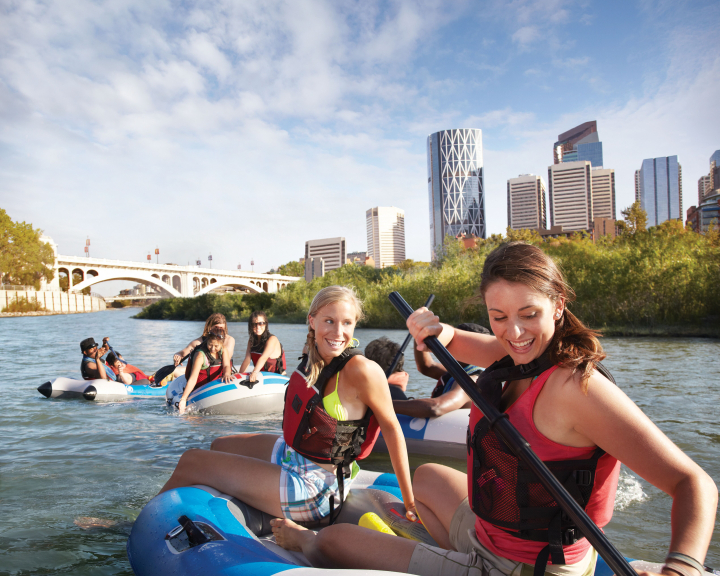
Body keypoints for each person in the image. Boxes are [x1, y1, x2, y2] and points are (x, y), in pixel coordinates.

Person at [269, 242, 717, 576]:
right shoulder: (517, 354)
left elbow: (693, 483)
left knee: (334, 541)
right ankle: (453, 551)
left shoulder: (576, 389)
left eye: (528, 314)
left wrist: (681, 567)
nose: (514, 332)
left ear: (558, 306)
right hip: (491, 534)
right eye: (498, 316)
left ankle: (316, 544)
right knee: (428, 477)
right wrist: (433, 328)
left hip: (523, 567)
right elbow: (458, 340)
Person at [159, 285, 416, 527]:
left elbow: (392, 429)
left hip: (317, 488)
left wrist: (409, 500)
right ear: (312, 321)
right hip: (293, 456)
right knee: (219, 445)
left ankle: (137, 525)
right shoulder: (314, 354)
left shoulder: (362, 370)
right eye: (329, 321)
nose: (339, 333)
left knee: (191, 460)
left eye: (347, 323)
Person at [393, 323, 489, 419]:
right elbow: (427, 367)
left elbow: (435, 407)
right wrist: (419, 335)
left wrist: (384, 405)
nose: (446, 346)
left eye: (452, 342)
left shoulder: (472, 381)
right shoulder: (461, 371)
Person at [171, 313, 235, 381]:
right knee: (174, 371)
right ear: (210, 327)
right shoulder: (199, 342)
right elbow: (183, 352)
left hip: (221, 373)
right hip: (203, 373)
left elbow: (227, 360)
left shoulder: (229, 340)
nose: (218, 330)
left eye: (221, 328)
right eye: (216, 327)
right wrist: (178, 355)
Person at [177, 331, 225, 414]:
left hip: (215, 386)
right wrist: (183, 399)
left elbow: (227, 365)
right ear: (207, 341)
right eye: (210, 344)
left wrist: (227, 374)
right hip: (199, 388)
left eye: (216, 346)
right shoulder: (200, 355)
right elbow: (193, 378)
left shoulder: (223, 350)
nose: (213, 348)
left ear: (221, 344)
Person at [237, 311, 286, 381]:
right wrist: (239, 375)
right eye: (254, 324)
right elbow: (247, 360)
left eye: (261, 323)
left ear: (266, 324)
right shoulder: (251, 341)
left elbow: (263, 357)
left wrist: (254, 372)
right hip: (262, 376)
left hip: (277, 377)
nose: (258, 327)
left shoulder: (272, 339)